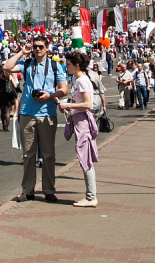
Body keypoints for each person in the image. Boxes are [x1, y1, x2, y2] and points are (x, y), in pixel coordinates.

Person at [4, 38, 68, 203]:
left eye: (41, 47)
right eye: (35, 46)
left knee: (48, 154)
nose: (37, 49)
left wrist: (49, 96)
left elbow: (64, 90)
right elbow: (7, 67)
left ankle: (48, 189)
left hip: (47, 113)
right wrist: (21, 52)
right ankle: (28, 190)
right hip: (27, 113)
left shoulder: (55, 66)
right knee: (28, 154)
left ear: (47, 48)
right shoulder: (26, 64)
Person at [58, 51, 99, 208]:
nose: (66, 67)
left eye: (68, 65)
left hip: (82, 122)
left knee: (85, 158)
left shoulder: (82, 80)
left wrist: (68, 105)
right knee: (84, 157)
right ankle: (90, 195)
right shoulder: (81, 80)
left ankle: (91, 197)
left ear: (76, 66)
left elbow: (87, 104)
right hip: (79, 120)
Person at [0, 65, 19, 132]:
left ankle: (3, 125)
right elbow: (14, 85)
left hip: (1, 94)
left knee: (2, 111)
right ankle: (7, 127)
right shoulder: (9, 76)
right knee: (7, 111)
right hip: (8, 94)